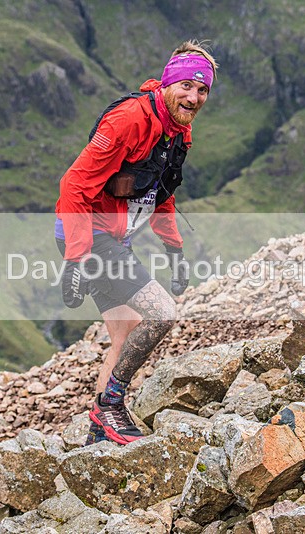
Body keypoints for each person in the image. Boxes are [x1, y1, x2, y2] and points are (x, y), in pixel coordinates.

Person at [55, 40, 217, 445]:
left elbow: (162, 193)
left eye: (203, 91)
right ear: (167, 82)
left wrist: (174, 250)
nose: (194, 97)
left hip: (113, 238)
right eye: (186, 87)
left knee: (125, 336)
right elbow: (73, 185)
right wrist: (76, 259)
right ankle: (110, 406)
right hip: (88, 233)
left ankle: (98, 433)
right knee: (161, 314)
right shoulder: (130, 120)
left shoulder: (179, 129)